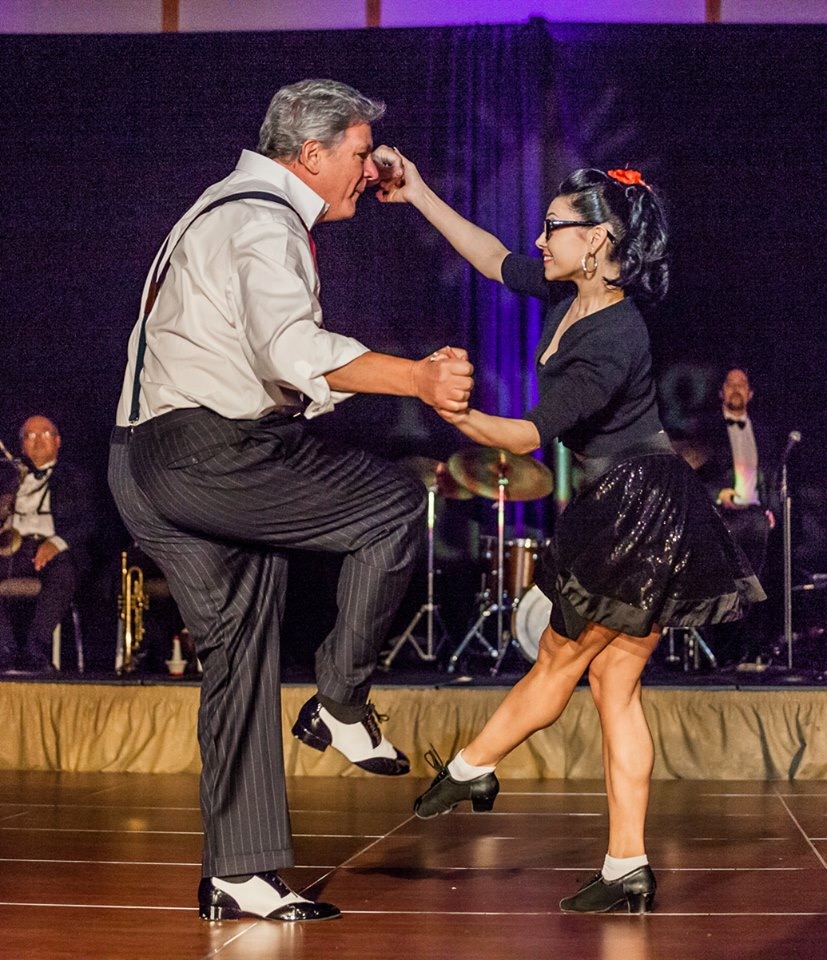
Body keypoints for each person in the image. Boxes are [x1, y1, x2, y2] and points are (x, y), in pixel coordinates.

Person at [107, 79, 473, 923]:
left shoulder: (220, 204)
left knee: (239, 647)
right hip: (209, 452)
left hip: (143, 460)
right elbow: (290, 347)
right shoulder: (262, 221)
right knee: (391, 508)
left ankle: (239, 872)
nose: (369, 171)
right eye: (359, 154)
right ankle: (339, 703)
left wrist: (397, 182)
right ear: (310, 154)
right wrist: (415, 378)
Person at [378, 156, 764, 913]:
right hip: (632, 502)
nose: (539, 238)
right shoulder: (570, 293)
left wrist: (448, 408)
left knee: (562, 658)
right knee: (614, 685)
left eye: (553, 226)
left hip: (636, 505)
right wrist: (418, 192)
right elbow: (493, 258)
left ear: (595, 240)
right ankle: (626, 865)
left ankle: (471, 767)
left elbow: (528, 435)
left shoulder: (616, 334)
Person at [0, 416, 94, 672]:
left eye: (45, 434)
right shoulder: (7, 477)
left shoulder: (75, 477)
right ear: (21, 445)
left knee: (64, 571)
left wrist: (57, 543)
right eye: (30, 436)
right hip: (11, 549)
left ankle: (36, 649)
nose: (38, 441)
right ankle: (4, 650)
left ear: (58, 441)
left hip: (53, 549)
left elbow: (89, 521)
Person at [695, 368, 775, 665]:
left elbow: (770, 476)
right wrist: (719, 493)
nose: (736, 389)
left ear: (750, 393)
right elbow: (693, 473)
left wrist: (770, 508)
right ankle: (723, 653)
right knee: (727, 584)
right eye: (731, 384)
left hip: (756, 518)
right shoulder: (707, 431)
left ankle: (752, 650)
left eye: (742, 384)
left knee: (757, 585)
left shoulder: (763, 433)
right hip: (721, 518)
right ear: (721, 392)